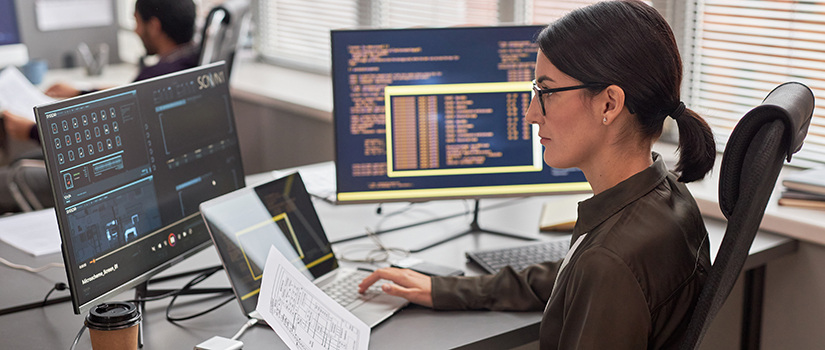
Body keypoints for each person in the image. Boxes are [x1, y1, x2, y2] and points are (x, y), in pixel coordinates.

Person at [358, 1, 715, 348]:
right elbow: (569, 274)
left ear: (609, 104)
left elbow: (596, 271)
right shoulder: (664, 195)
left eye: (545, 92)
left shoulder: (610, 262)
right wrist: (444, 289)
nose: (530, 114)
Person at [0, 0, 198, 213]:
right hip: (149, 172)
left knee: (10, 176)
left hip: (115, 176)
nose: (135, 30)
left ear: (155, 26)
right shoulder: (187, 63)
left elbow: (101, 139)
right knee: (25, 160)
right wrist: (80, 93)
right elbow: (128, 97)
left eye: (137, 22)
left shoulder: (157, 76)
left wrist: (31, 130)